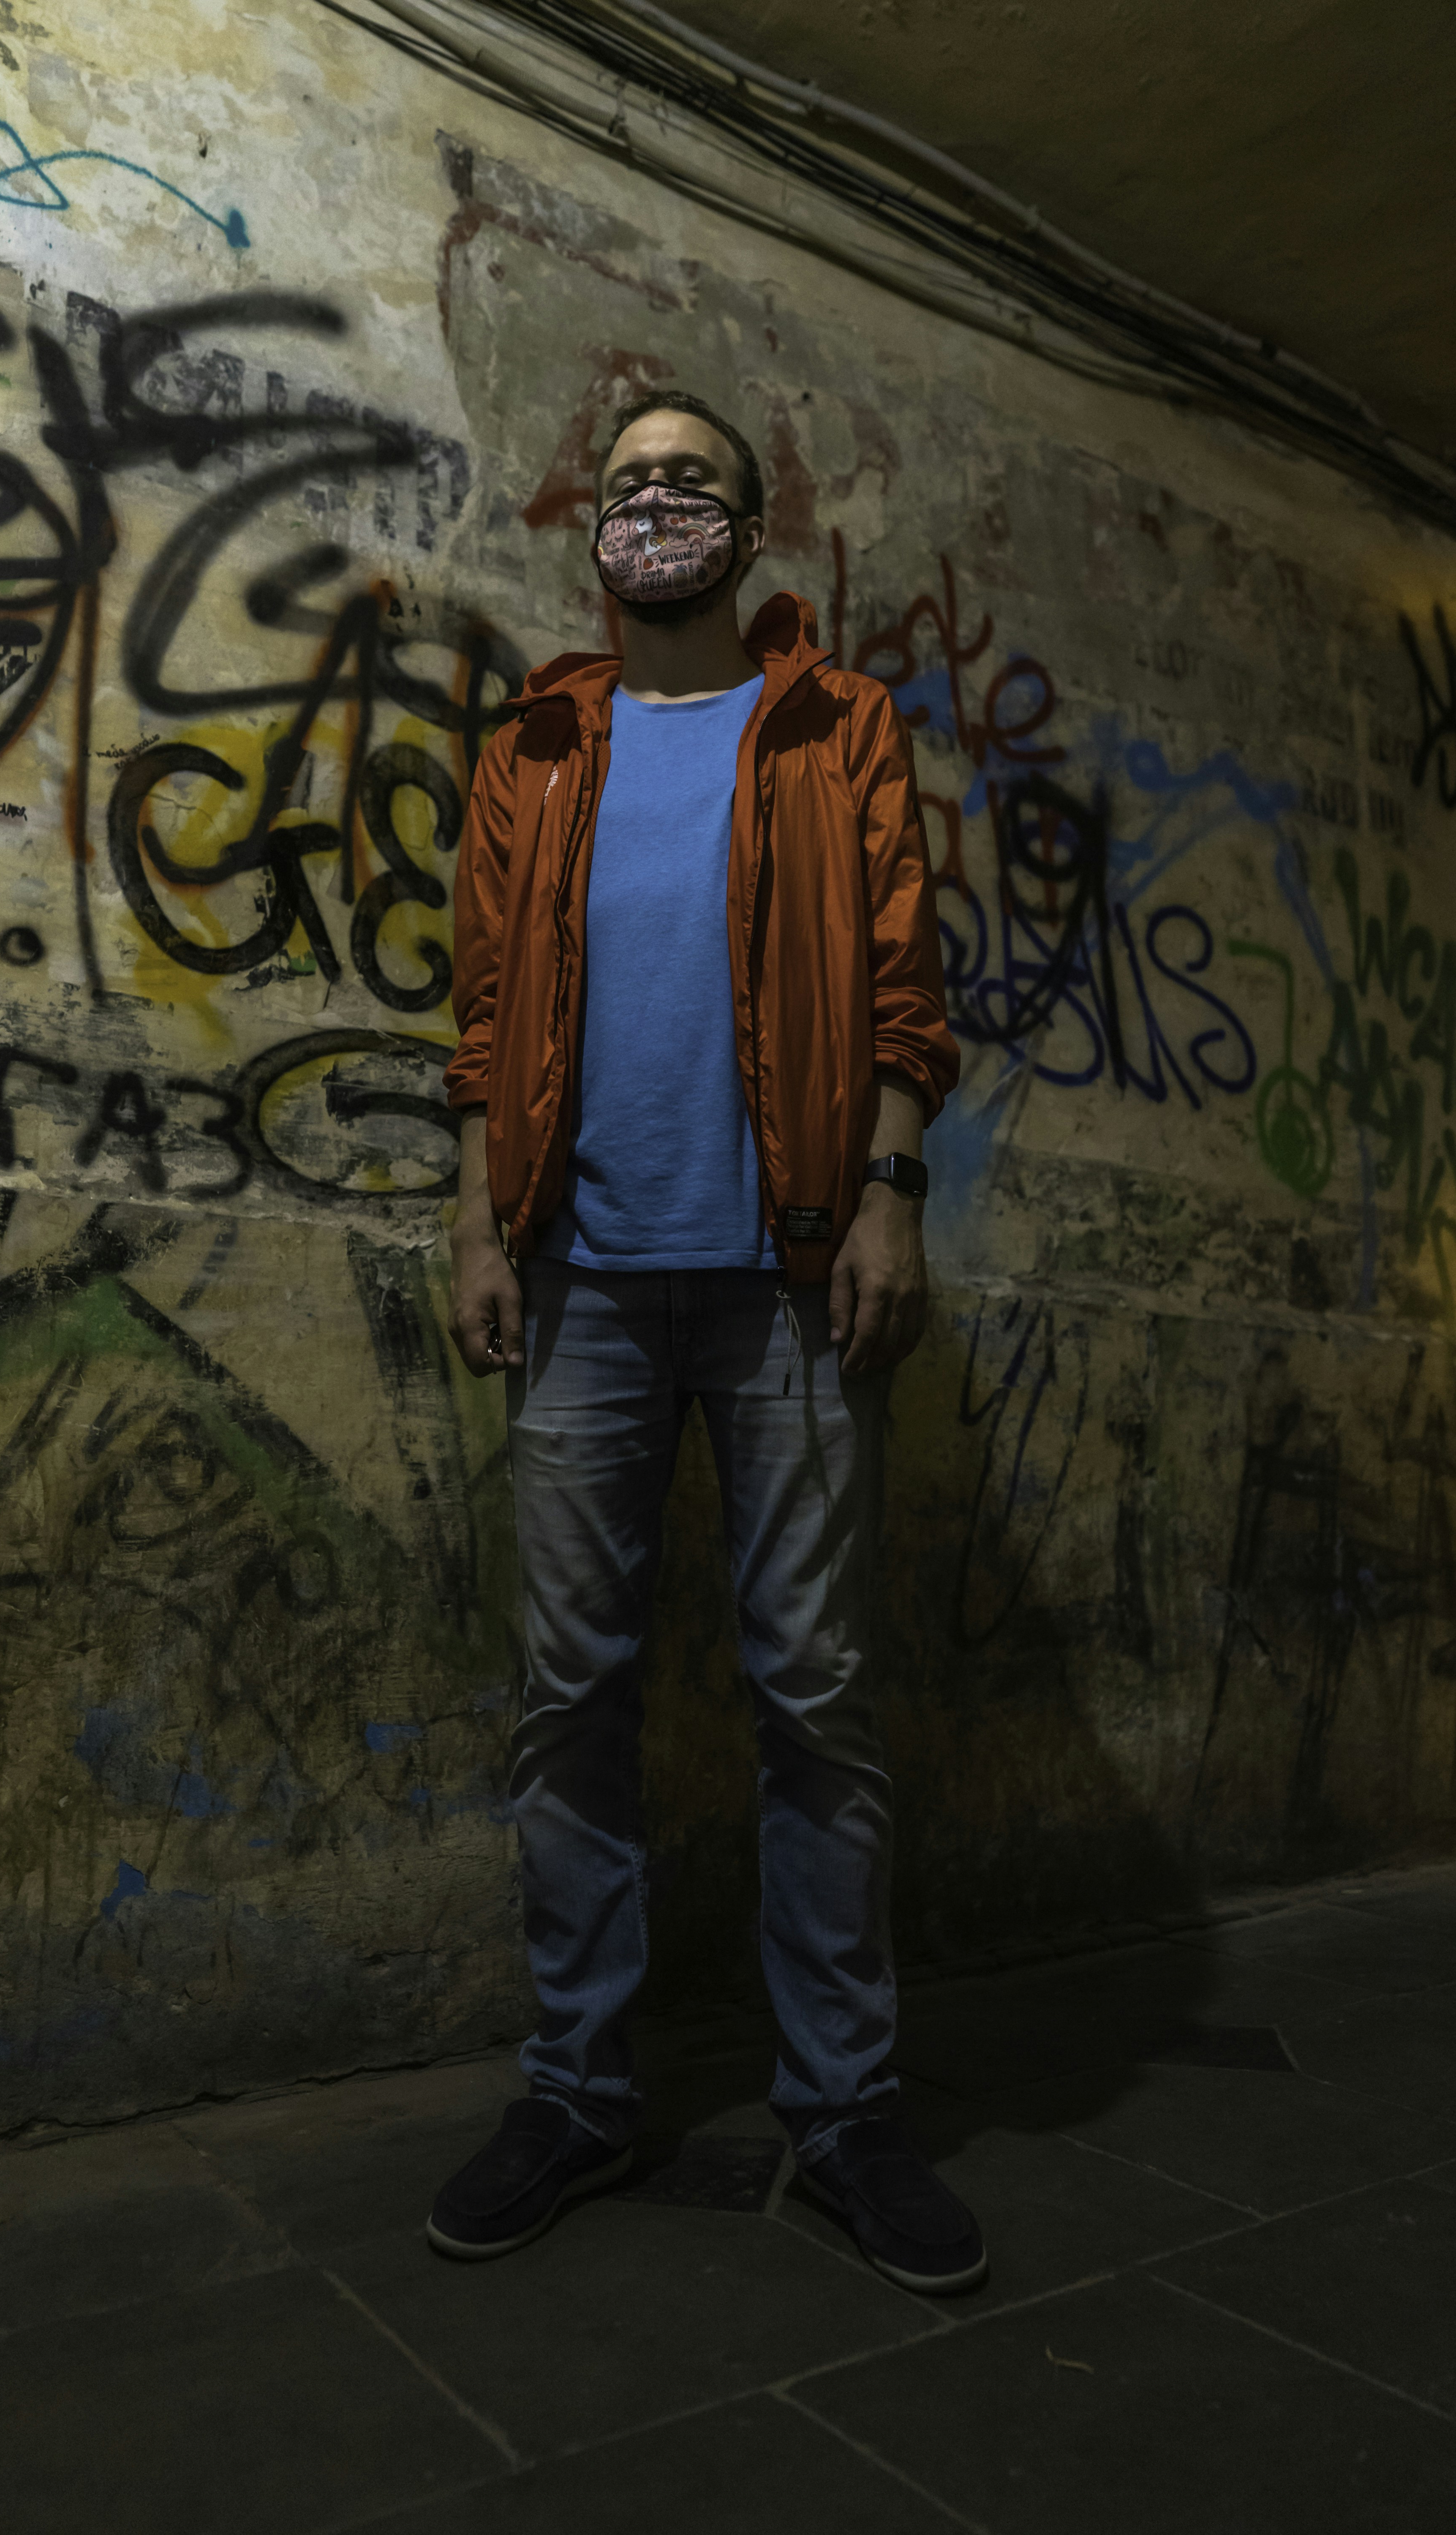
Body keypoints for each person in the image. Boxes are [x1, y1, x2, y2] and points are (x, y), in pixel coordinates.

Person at [428, 390, 985, 2293]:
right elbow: (489, 995)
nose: (657, 499)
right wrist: (470, 1218)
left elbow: (902, 978)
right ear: (595, 519)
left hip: (789, 1268)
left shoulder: (834, 729)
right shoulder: (540, 738)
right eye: (634, 476)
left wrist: (894, 1193)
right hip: (572, 1277)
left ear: (753, 535)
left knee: (813, 1699)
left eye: (698, 482)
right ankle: (578, 2090)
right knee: (566, 1695)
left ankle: (844, 2116)